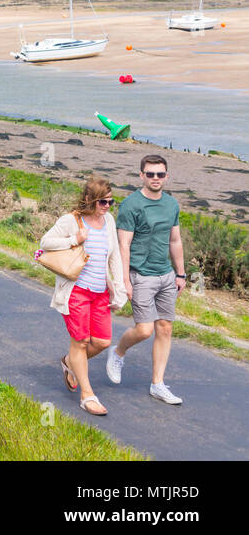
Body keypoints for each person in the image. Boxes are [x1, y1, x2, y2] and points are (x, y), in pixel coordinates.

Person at [39, 176, 126, 417]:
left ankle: (69, 362)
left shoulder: (108, 220)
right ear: (89, 200)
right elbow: (45, 242)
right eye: (102, 202)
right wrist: (74, 240)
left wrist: (118, 287)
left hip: (100, 293)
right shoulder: (71, 220)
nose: (107, 207)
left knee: (102, 342)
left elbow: (115, 255)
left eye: (111, 202)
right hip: (76, 291)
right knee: (81, 341)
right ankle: (87, 395)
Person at [107, 155, 186, 405]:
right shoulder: (131, 205)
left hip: (166, 275)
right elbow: (124, 244)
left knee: (165, 328)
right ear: (141, 175)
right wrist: (125, 280)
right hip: (141, 275)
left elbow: (175, 240)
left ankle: (158, 384)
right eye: (150, 174)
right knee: (144, 329)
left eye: (160, 174)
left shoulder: (172, 204)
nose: (155, 178)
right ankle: (118, 353)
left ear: (166, 176)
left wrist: (181, 273)